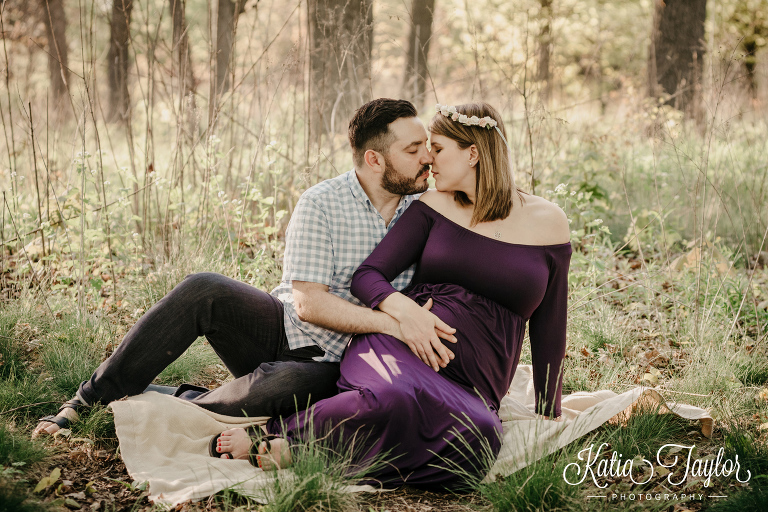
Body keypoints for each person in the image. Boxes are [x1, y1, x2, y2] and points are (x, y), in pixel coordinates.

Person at [32, 98, 459, 438]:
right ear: (375, 159)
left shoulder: (425, 213)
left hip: (343, 364)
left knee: (280, 385)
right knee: (204, 288)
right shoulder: (322, 202)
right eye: (413, 149)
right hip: (284, 328)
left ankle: (170, 398)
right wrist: (393, 325)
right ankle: (90, 399)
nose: (428, 157)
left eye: (426, 146)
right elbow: (310, 305)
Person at [213, 102, 571, 489]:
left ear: (473, 153)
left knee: (480, 439)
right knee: (393, 397)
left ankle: (338, 453)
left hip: (475, 378)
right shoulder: (433, 206)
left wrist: (549, 410)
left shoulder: (548, 221)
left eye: (437, 148)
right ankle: (286, 442)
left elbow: (550, 323)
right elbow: (367, 276)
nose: (429, 160)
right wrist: (405, 313)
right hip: (400, 345)